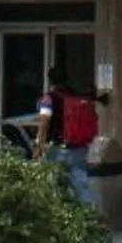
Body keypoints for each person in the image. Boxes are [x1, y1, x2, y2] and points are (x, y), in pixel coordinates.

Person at [35, 74, 99, 207]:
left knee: (50, 182)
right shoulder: (76, 96)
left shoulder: (49, 98)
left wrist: (39, 143)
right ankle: (91, 216)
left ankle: (57, 215)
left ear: (50, 81)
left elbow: (44, 121)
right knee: (81, 184)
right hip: (79, 147)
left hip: (57, 148)